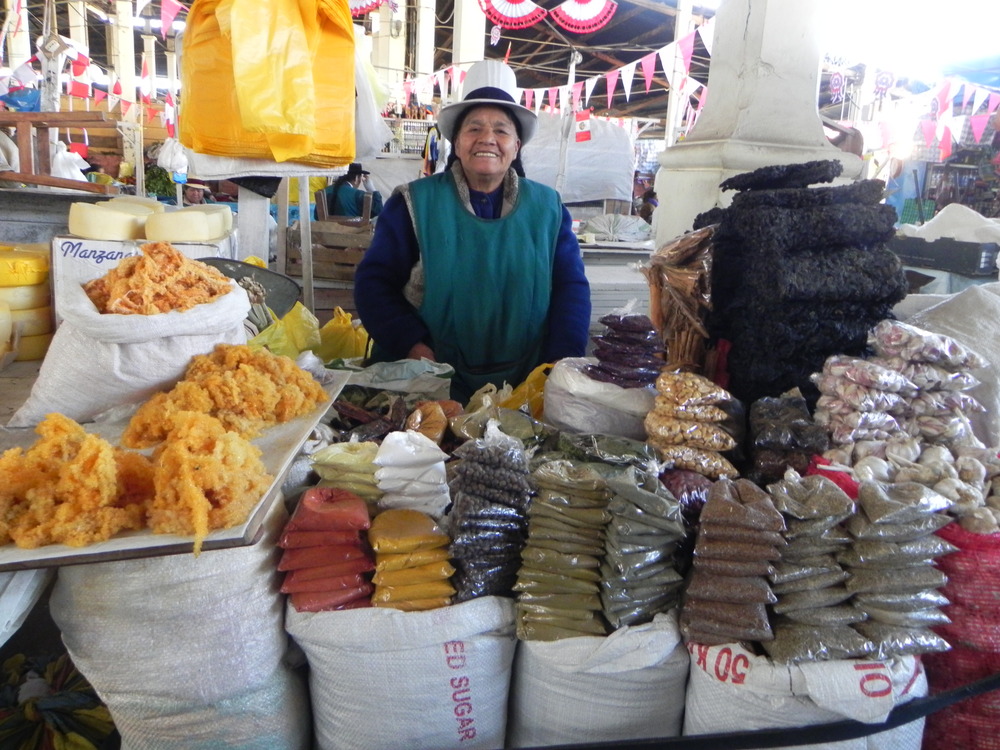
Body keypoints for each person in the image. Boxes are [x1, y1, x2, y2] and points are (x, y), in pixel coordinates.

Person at [354, 59, 592, 403]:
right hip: (429, 384)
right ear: (457, 141)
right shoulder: (414, 204)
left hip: (524, 386)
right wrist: (413, 346)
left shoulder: (548, 209)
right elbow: (373, 283)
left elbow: (571, 288)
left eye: (501, 129)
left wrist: (558, 362)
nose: (487, 139)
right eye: (474, 128)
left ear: (516, 145)